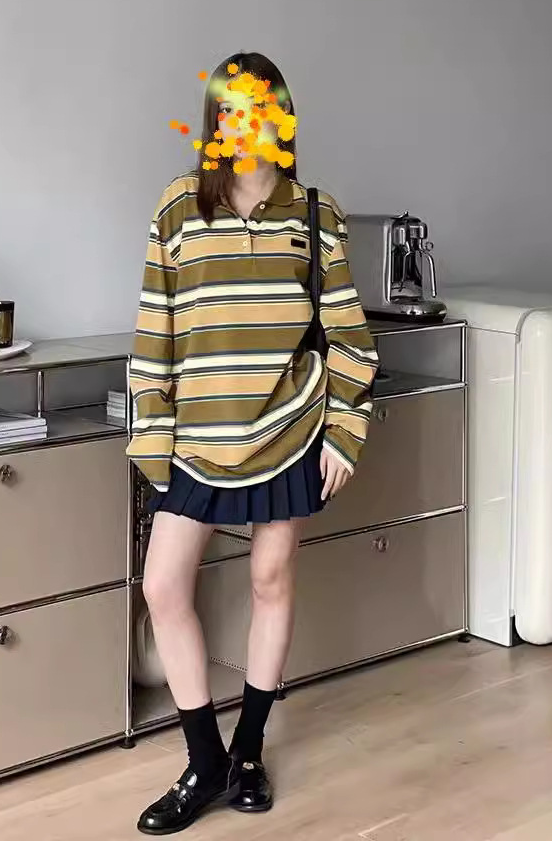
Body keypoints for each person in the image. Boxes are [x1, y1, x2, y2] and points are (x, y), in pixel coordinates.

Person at [127, 52, 378, 835]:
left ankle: (248, 751)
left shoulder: (316, 214)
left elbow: (349, 336)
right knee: (163, 586)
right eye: (231, 109)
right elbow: (155, 332)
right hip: (197, 437)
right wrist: (152, 436)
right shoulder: (178, 207)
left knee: (271, 579)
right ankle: (204, 760)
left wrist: (345, 432)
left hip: (287, 427)